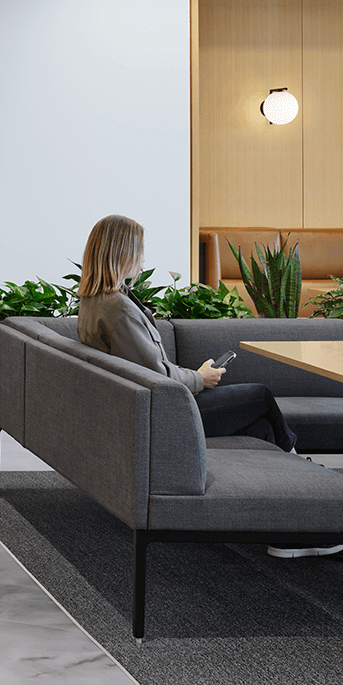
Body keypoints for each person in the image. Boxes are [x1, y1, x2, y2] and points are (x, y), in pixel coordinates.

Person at [77, 214, 338, 559]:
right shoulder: (118, 310)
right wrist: (201, 377)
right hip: (169, 413)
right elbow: (156, 375)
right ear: (122, 253)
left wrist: (195, 374)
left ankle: (293, 525)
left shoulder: (98, 302)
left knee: (260, 427)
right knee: (259, 395)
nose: (142, 259)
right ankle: (309, 481)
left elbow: (149, 368)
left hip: (157, 407)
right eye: (139, 250)